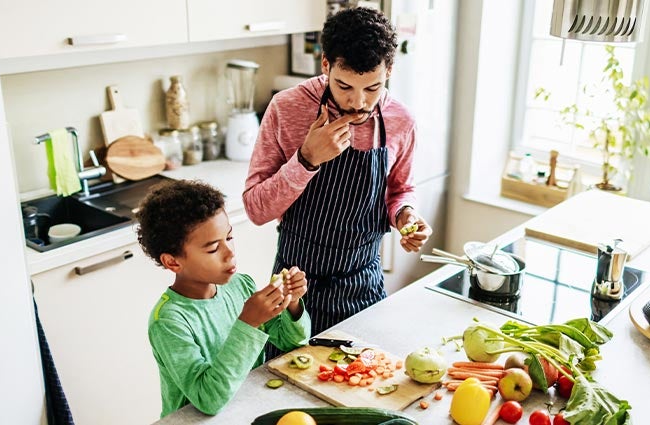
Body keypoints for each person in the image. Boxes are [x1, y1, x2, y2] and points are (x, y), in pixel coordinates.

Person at [243, 7, 432, 336]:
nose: (358, 103)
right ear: (326, 65)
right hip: (294, 290)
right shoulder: (287, 109)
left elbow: (401, 189)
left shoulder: (402, 120)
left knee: (364, 382)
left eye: (372, 88)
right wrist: (306, 159)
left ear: (389, 70)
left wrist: (405, 216)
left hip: (363, 285)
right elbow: (256, 210)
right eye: (344, 87)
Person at [136, 180, 310, 418]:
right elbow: (208, 399)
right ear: (173, 262)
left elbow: (292, 345)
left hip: (248, 410)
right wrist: (248, 323)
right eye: (212, 249)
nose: (230, 253)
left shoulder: (241, 286)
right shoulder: (169, 322)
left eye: (229, 238)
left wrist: (292, 304)